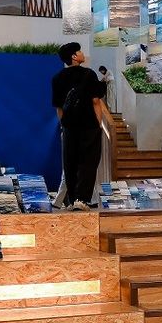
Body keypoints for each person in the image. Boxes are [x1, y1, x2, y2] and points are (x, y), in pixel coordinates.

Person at [52, 42, 107, 209]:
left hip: (69, 126)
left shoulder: (57, 78)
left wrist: (64, 124)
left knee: (70, 162)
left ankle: (72, 199)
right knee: (88, 161)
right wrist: (98, 123)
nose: (82, 53)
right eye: (79, 51)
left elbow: (59, 108)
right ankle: (82, 199)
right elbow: (96, 101)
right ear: (74, 56)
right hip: (89, 125)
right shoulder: (88, 74)